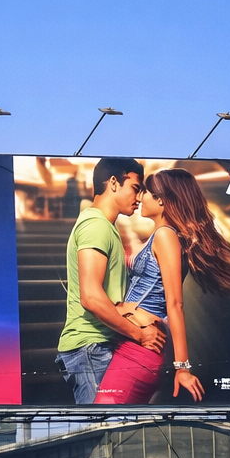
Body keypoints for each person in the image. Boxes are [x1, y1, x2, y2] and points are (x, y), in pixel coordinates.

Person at [95, 167, 230, 404]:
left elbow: (175, 304)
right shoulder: (160, 235)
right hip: (132, 346)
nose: (140, 197)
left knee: (106, 421)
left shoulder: (165, 236)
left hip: (140, 352)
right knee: (110, 425)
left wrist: (182, 367)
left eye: (147, 192)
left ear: (161, 200)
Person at [55, 157, 165, 404]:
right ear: (114, 183)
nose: (138, 198)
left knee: (112, 432)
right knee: (103, 432)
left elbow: (109, 298)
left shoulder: (106, 226)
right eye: (135, 188)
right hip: (89, 347)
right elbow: (92, 298)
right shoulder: (97, 226)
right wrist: (139, 335)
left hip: (95, 345)